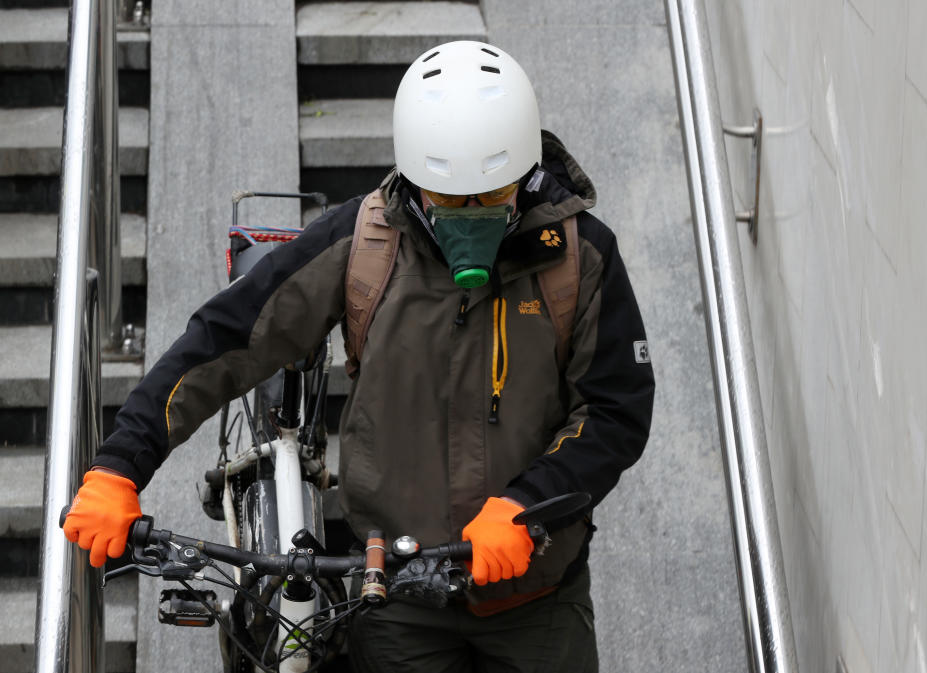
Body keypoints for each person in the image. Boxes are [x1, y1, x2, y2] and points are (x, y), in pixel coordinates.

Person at [63, 41, 655, 672]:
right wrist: (120, 465)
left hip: (537, 595)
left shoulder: (579, 258)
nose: (470, 216)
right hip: (395, 595)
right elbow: (229, 337)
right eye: (449, 201)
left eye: (490, 196)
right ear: (415, 180)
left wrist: (527, 505)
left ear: (525, 172)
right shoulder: (364, 241)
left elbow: (615, 409)